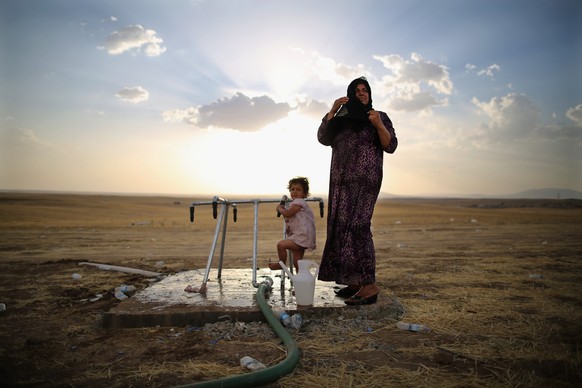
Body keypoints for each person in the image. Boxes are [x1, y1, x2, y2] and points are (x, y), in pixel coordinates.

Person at [317, 76, 398, 306]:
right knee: (341, 227)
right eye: (357, 91)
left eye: (365, 90)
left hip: (365, 181)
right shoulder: (341, 117)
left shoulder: (378, 116)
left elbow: (390, 146)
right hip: (340, 182)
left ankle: (369, 285)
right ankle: (353, 281)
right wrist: (333, 109)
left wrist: (378, 125)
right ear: (350, 95)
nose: (362, 94)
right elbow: (323, 138)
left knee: (358, 227)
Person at [268, 177, 317, 272]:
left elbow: (288, 213)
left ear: (305, 193)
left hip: (302, 236)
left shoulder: (299, 202)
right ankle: (302, 281)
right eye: (292, 189)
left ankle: (281, 264)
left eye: (298, 190)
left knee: (281, 245)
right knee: (297, 263)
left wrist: (279, 209)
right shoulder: (296, 203)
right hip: (301, 235)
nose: (295, 192)